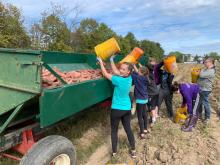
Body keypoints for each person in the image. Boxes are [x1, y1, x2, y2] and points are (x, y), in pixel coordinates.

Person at [97, 56, 136, 158]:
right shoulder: (129, 78)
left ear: (128, 72)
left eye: (123, 69)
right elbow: (117, 71)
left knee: (114, 131)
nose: (120, 70)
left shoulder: (118, 80)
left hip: (117, 109)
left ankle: (114, 153)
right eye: (121, 68)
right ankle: (133, 150)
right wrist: (111, 60)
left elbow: (105, 74)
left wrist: (101, 62)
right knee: (128, 129)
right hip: (127, 108)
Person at [181, 57, 216, 132]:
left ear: (210, 62)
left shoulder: (211, 71)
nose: (204, 63)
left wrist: (197, 71)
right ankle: (198, 115)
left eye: (205, 62)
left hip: (205, 90)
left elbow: (201, 75)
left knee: (204, 103)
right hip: (200, 88)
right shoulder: (206, 69)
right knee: (199, 104)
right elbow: (200, 72)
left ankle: (207, 118)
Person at [132, 64, 149, 139]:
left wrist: (131, 68)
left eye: (138, 70)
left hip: (139, 100)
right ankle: (145, 129)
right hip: (145, 99)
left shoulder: (137, 78)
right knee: (144, 114)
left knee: (139, 116)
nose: (137, 71)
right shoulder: (145, 77)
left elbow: (132, 73)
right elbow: (137, 72)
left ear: (141, 72)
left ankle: (141, 133)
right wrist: (134, 65)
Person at [145, 58, 159, 125]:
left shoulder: (147, 75)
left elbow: (147, 65)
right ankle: (156, 116)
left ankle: (153, 119)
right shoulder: (152, 72)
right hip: (156, 91)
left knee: (151, 106)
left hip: (151, 93)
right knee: (156, 104)